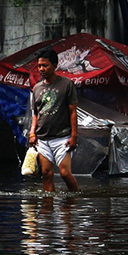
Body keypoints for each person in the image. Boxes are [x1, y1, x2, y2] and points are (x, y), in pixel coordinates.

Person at [27, 47, 80, 192]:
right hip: (43, 138)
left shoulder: (66, 85)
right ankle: (47, 209)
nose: (41, 69)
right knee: (46, 173)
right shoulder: (37, 88)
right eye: (39, 66)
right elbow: (36, 114)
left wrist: (74, 136)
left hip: (62, 137)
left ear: (55, 66)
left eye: (45, 65)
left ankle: (74, 199)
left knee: (65, 173)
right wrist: (32, 133)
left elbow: (72, 111)